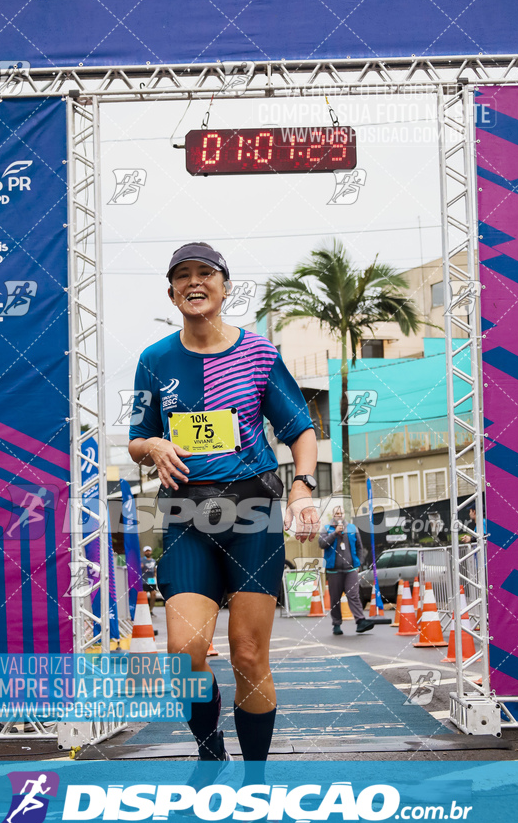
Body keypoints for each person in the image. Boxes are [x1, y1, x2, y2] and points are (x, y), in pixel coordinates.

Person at [128, 242, 319, 769]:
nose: (194, 283)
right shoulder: (155, 359)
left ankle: (256, 778)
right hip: (186, 514)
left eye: (205, 274)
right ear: (172, 292)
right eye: (182, 276)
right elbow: (137, 439)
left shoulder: (258, 354)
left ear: (224, 286)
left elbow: (300, 429)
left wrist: (301, 486)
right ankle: (210, 750)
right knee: (183, 655)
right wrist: (155, 447)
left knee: (248, 654)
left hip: (252, 511)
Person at [319, 505, 374, 635]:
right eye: (337, 513)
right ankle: (336, 624)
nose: (339, 515)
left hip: (350, 570)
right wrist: (334, 533)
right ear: (334, 515)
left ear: (344, 515)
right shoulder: (326, 529)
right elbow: (322, 544)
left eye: (341, 513)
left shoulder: (352, 528)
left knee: (353, 595)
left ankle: (360, 621)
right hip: (334, 570)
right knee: (335, 598)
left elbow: (359, 547)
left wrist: (358, 563)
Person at [141, 545, 158, 615]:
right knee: (144, 594)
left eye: (149, 551)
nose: (148, 552)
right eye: (146, 551)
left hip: (151, 579)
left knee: (153, 594)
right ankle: (144, 609)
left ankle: (151, 610)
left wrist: (155, 576)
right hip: (144, 579)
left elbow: (154, 570)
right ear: (144, 552)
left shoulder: (153, 561)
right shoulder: (141, 560)